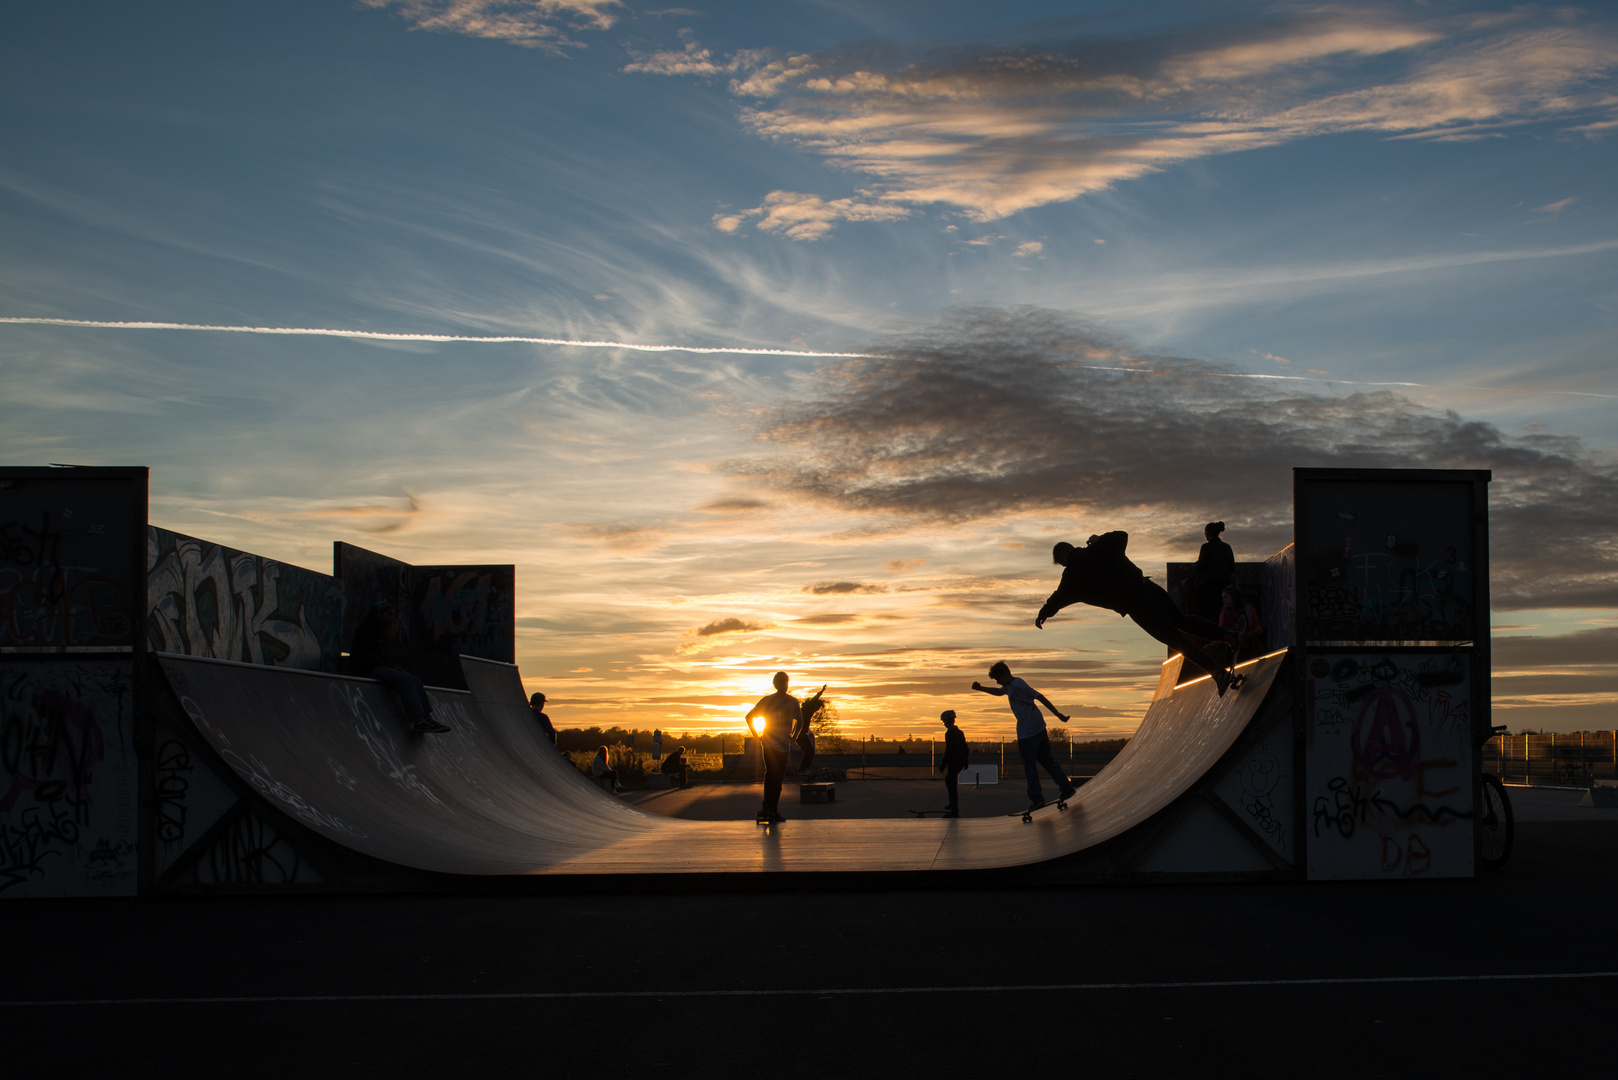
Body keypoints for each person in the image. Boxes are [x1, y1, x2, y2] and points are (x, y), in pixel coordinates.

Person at [1037, 532, 1238, 695]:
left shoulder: (1071, 577)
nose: (1064, 567)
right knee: (1181, 621)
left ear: (1063, 558)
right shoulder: (1100, 548)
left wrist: (1043, 614)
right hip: (1148, 587)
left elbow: (1057, 598)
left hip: (1137, 605)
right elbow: (1121, 535)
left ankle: (1217, 672)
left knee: (1174, 640)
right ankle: (1229, 636)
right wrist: (1100, 540)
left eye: (1062, 564)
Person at [971, 662, 1075, 813]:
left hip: (1028, 733)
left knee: (1030, 767)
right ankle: (1066, 788)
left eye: (998, 679)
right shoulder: (1010, 686)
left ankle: (1037, 799)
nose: (998, 682)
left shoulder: (1018, 685)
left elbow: (1040, 697)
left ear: (1006, 675)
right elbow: (998, 692)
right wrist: (981, 689)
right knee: (1047, 761)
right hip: (1039, 728)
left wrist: (1059, 715)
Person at [348, 601, 449, 733]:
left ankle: (427, 717)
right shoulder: (366, 631)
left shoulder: (379, 631)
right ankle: (418, 720)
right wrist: (390, 666)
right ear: (379, 615)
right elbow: (370, 657)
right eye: (389, 615)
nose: (392, 618)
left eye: (393, 615)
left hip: (377, 666)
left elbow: (381, 655)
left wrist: (392, 665)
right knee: (405, 681)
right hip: (367, 669)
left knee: (416, 680)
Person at [745, 671, 801, 823]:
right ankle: (767, 807)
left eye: (786, 682)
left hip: (784, 746)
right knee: (771, 774)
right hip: (770, 744)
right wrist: (757, 736)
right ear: (775, 684)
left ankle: (773, 810)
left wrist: (794, 736)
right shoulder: (767, 701)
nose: (784, 685)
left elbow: (800, 721)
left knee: (778, 779)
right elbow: (749, 717)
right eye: (781, 682)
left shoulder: (792, 702)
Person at [1192, 521, 1236, 621]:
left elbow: (1200, 566)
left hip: (1206, 587)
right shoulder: (1227, 547)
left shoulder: (1206, 547)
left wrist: (1195, 565)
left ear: (1207, 533)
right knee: (1220, 614)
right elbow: (1232, 567)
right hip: (1223, 586)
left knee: (1203, 614)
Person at [1216, 584, 1265, 664]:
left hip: (1248, 648)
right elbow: (1220, 632)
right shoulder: (1223, 614)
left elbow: (1257, 625)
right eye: (1223, 598)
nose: (1224, 601)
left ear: (1234, 598)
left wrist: (1257, 630)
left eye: (1226, 598)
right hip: (1229, 650)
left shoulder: (1248, 610)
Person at [936, 710, 969, 818]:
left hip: (953, 761)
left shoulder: (949, 733)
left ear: (949, 721)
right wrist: (965, 761)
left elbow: (949, 750)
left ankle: (954, 809)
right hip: (959, 761)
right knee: (949, 781)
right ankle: (952, 804)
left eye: (944, 722)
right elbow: (965, 748)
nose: (944, 724)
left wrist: (943, 764)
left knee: (952, 784)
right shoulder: (960, 732)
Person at [793, 685, 826, 777]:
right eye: (818, 707)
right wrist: (821, 691)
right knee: (810, 752)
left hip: (801, 733)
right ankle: (802, 770)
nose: (817, 710)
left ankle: (802, 769)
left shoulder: (808, 709)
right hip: (801, 733)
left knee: (809, 752)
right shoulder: (808, 707)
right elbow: (814, 699)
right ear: (815, 705)